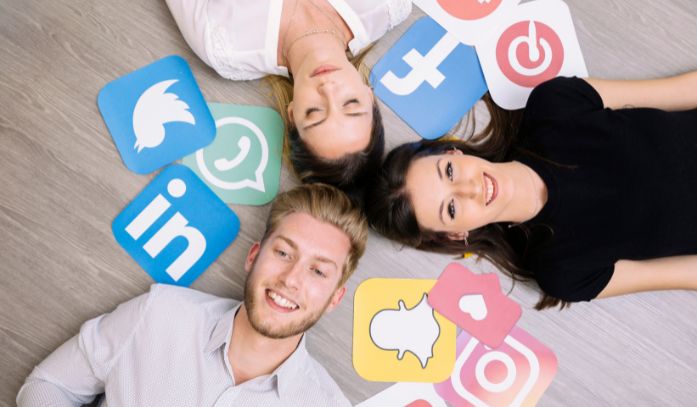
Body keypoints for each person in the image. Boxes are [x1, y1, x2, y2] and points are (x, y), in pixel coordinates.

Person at [365, 74, 697, 309]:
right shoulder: (563, 271)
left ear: (453, 151)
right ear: (456, 234)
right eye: (451, 208)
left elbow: (679, 91)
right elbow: (684, 274)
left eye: (449, 172)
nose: (470, 188)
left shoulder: (554, 106)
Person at [17, 184, 367, 406]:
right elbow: (48, 386)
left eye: (318, 271)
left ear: (335, 298)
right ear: (253, 256)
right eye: (284, 253)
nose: (291, 279)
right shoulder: (159, 313)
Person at [165, 0, 412, 195]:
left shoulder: (225, 47)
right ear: (369, 94)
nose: (328, 89)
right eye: (350, 104)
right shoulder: (387, 5)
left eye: (315, 112)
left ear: (292, 114)